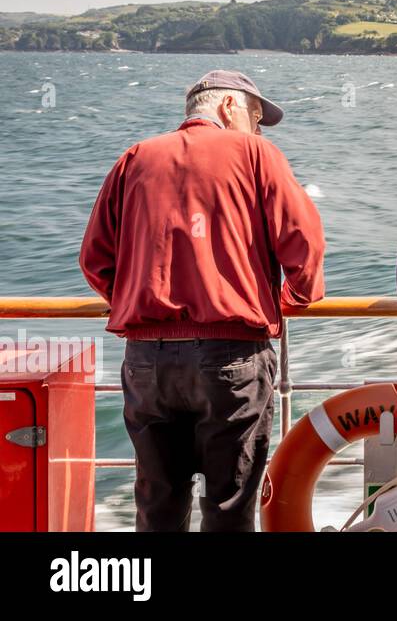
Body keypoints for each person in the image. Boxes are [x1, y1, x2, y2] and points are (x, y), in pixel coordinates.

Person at [79, 70, 325, 531]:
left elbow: (95, 257)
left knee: (158, 507)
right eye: (255, 117)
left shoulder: (135, 158)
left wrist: (136, 301)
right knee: (229, 507)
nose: (255, 129)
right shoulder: (256, 154)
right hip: (230, 356)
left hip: (146, 359)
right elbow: (304, 245)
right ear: (230, 108)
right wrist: (288, 300)